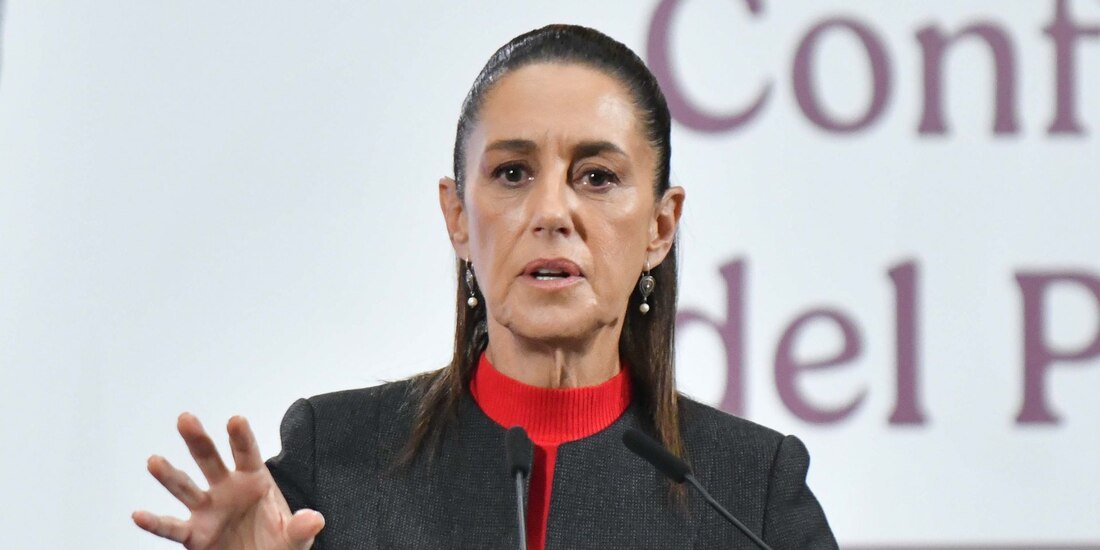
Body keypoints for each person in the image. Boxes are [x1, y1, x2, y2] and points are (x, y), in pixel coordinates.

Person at [133, 24, 838, 550]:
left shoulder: (750, 492)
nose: (552, 212)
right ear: (457, 216)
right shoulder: (331, 469)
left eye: (597, 177)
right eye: (512, 173)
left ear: (659, 226)